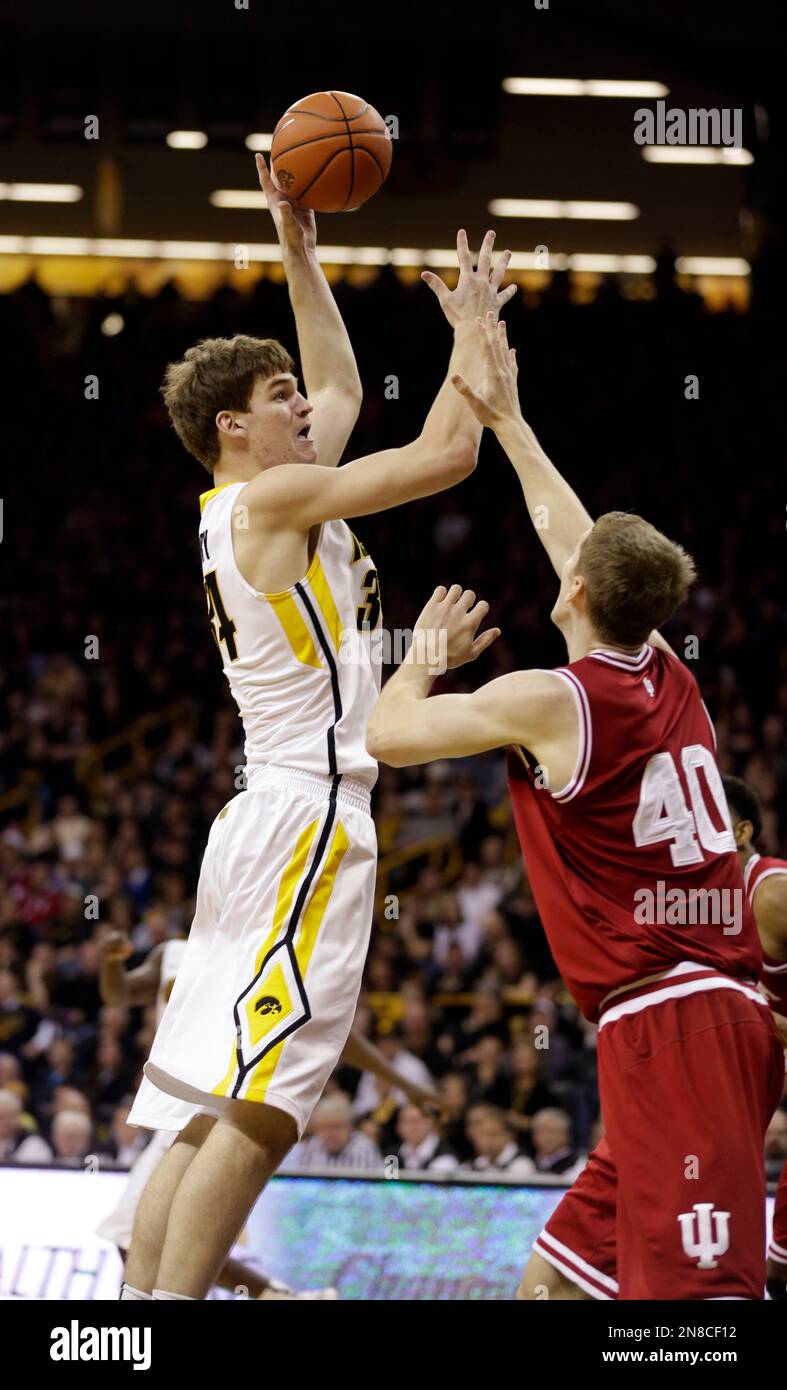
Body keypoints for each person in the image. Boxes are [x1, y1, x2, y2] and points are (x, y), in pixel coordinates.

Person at [121, 152, 515, 1300]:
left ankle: (132, 1322)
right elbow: (447, 454)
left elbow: (341, 389)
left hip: (265, 815)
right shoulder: (275, 499)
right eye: (279, 397)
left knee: (213, 1098)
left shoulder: (259, 501)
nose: (307, 403)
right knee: (266, 1104)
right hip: (308, 817)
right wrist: (471, 339)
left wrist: (297, 246)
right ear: (236, 428)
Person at [367, 314, 784, 1299]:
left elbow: (387, 738)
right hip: (671, 1022)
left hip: (674, 1019)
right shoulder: (670, 674)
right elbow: (574, 531)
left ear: (580, 592)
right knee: (555, 1286)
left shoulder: (552, 698)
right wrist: (509, 420)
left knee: (699, 1310)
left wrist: (423, 657)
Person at [520, 775, 787, 1302]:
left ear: (740, 832)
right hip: (672, 1078)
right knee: (548, 1286)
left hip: (722, 1081)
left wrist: (766, 1023)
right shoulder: (681, 902)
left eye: (704, 819)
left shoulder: (771, 891)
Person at [99, 928, 439, 1297]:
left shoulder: (266, 942)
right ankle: (280, 1296)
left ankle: (275, 1296)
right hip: (176, 1103)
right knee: (165, 1236)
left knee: (141, 1235)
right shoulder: (173, 952)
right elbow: (118, 994)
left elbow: (330, 1031)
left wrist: (404, 1084)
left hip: (223, 1100)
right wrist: (111, 962)